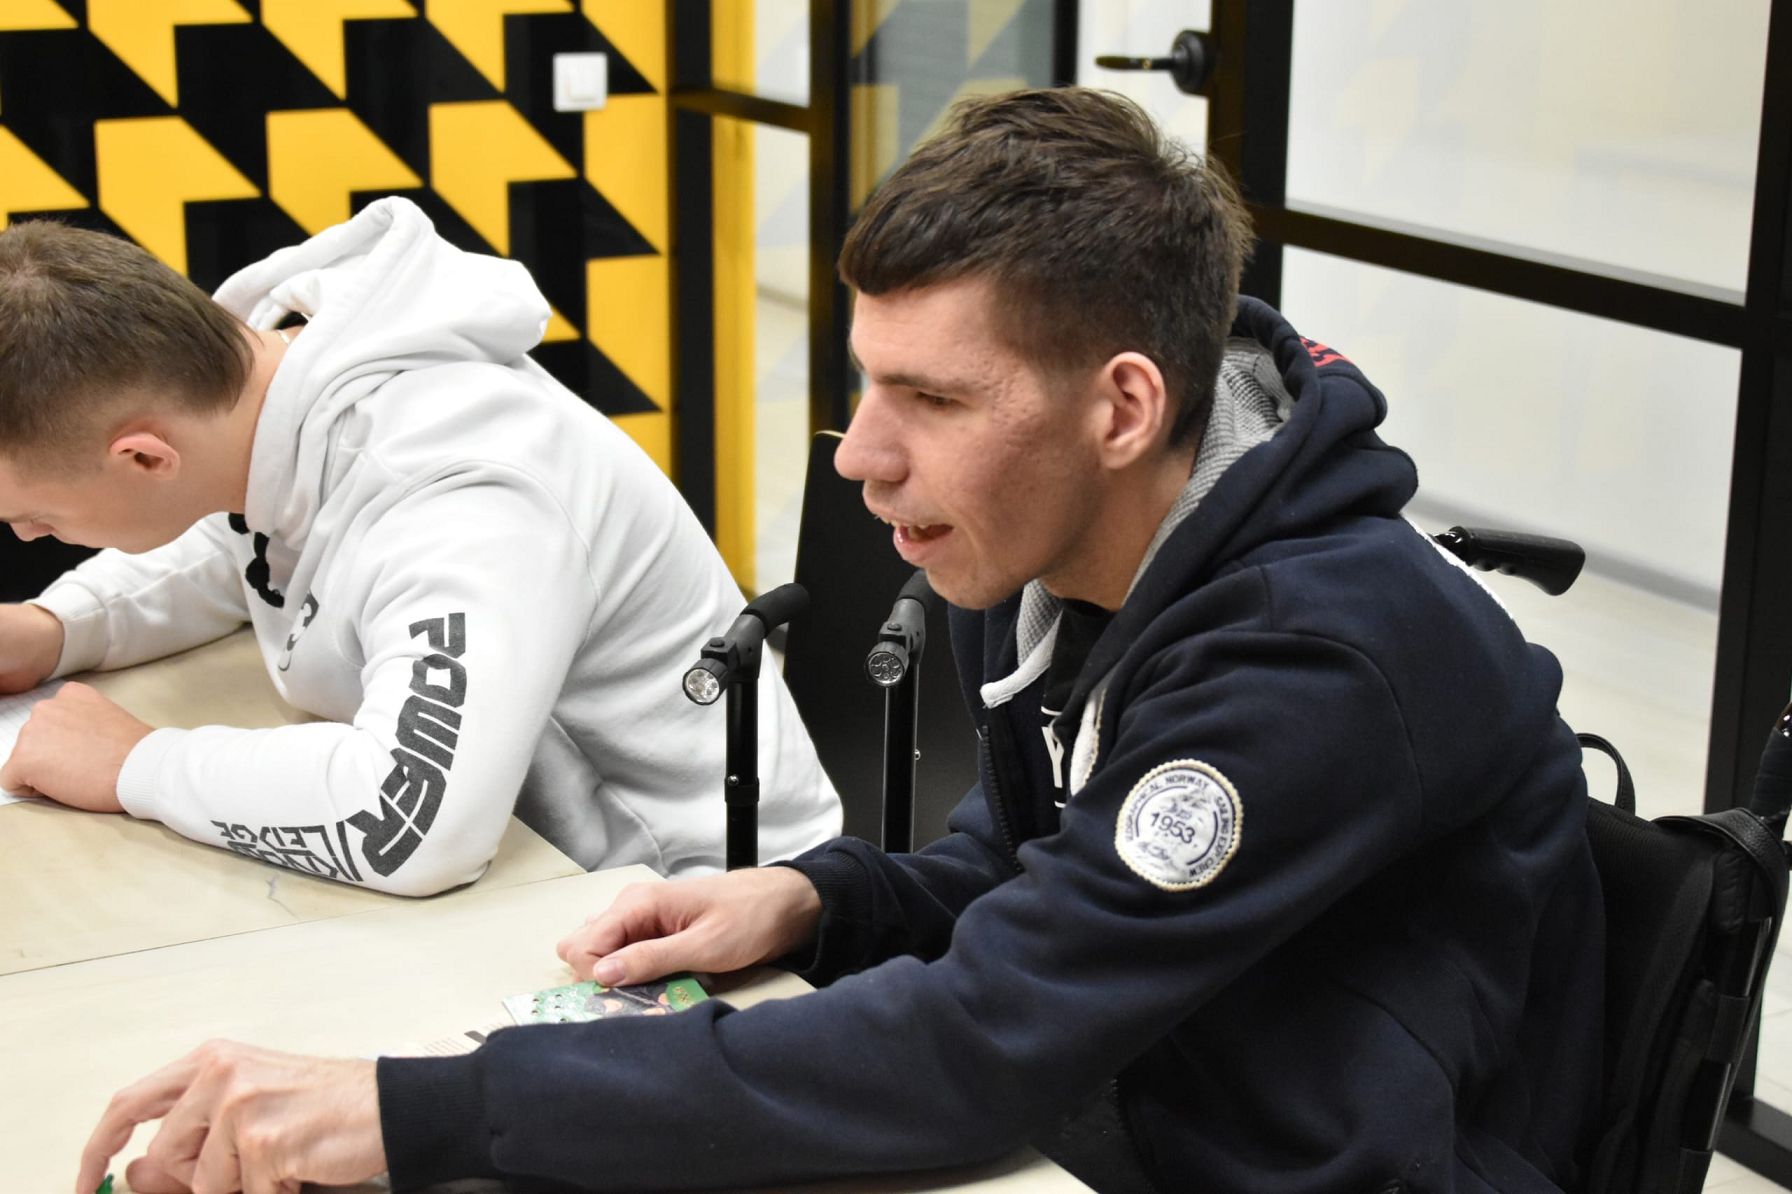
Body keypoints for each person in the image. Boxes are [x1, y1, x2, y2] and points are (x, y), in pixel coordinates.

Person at [76, 88, 1604, 1194]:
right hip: (1124, 1113)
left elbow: (974, 1048)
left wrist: (414, 1113)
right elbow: (1019, 868)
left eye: (931, 399)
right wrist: (816, 900)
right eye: (868, 381)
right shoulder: (1065, 543)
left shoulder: (1314, 660)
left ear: (1125, 406)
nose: (861, 456)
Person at [0, 198, 840, 895]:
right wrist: (58, 626)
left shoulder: (462, 493)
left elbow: (408, 826)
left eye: (34, 513)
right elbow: (239, 541)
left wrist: (137, 765)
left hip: (698, 906)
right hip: (536, 864)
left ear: (145, 457)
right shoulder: (263, 383)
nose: (27, 533)